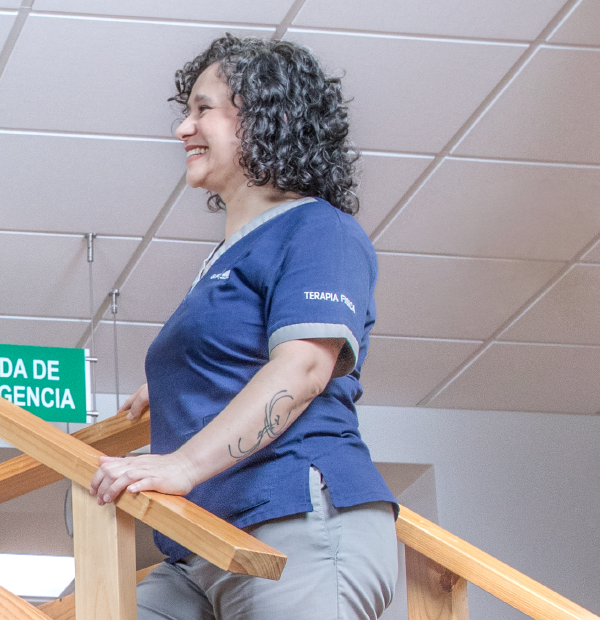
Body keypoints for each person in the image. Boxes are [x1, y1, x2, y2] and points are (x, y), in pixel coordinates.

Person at [88, 36, 398, 619]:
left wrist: (180, 464)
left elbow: (304, 367)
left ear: (268, 120)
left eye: (204, 110)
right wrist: (182, 385)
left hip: (293, 523)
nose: (184, 128)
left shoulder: (317, 229)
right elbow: (240, 349)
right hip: (200, 544)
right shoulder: (225, 259)